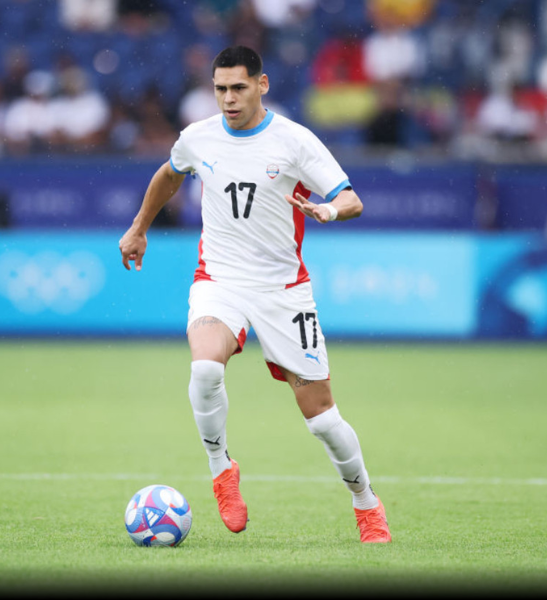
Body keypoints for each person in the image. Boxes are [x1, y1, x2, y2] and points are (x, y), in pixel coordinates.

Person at [118, 46, 391, 543]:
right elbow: (169, 174)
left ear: (261, 86)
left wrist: (328, 212)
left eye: (238, 88)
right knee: (204, 369)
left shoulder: (294, 141)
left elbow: (350, 198)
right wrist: (139, 229)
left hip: (283, 291)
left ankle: (366, 502)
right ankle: (222, 470)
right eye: (220, 88)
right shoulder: (197, 138)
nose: (228, 98)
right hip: (219, 281)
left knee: (323, 421)